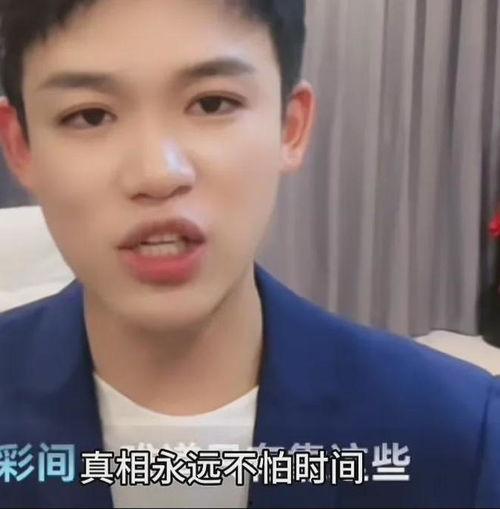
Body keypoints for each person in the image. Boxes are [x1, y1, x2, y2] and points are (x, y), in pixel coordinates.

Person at [0, 1, 498, 508]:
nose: (158, 173)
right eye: (89, 116)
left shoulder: (457, 432)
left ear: (291, 127)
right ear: (21, 146)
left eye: (212, 104)